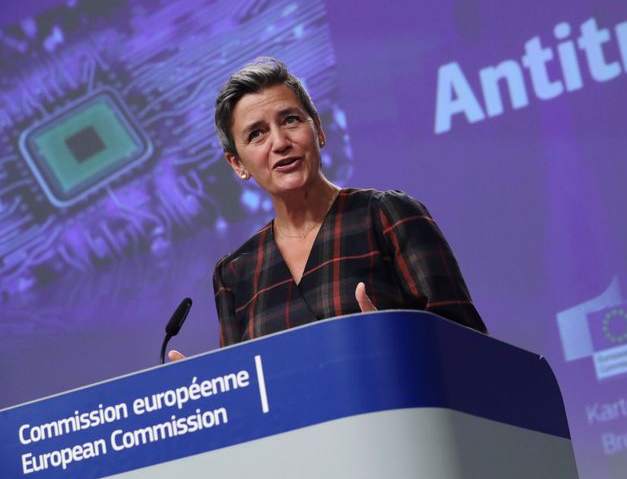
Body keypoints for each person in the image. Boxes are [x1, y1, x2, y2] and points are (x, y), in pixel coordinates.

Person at [169, 57, 485, 360]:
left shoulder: (388, 215)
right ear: (237, 163)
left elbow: (470, 347)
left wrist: (397, 344)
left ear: (318, 129)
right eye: (256, 134)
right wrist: (212, 391)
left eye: (290, 120)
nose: (279, 142)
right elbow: (249, 388)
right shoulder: (235, 272)